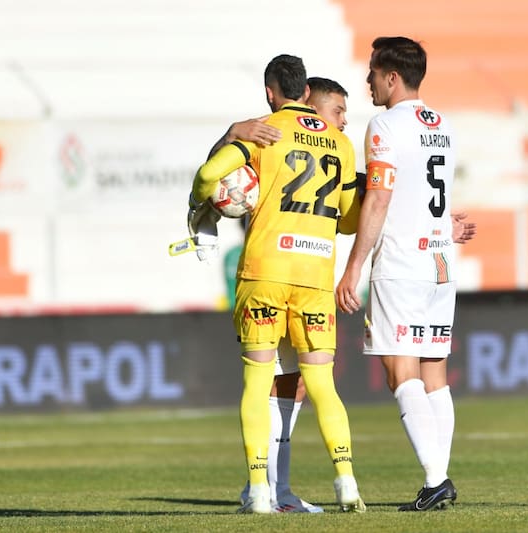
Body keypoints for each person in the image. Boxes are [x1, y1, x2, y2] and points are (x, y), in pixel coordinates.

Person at [189, 54, 365, 514]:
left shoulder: (264, 131)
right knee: (323, 384)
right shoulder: (343, 147)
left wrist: (197, 207)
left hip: (265, 272)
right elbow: (348, 221)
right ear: (307, 93)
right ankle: (346, 482)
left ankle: (261, 493)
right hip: (314, 278)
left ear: (271, 91)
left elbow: (209, 176)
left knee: (257, 381)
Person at [335, 36, 464, 512]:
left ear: (391, 76)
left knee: (398, 367)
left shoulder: (385, 124)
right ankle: (438, 479)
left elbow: (382, 197)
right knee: (435, 371)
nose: (367, 80)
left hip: (403, 262)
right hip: (441, 261)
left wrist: (353, 269)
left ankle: (436, 479)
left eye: (372, 72)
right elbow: (429, 192)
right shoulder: (443, 125)